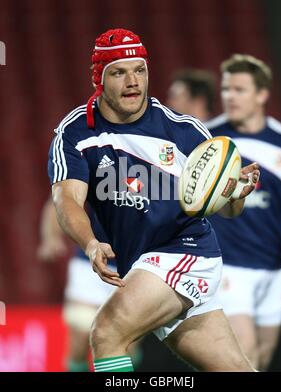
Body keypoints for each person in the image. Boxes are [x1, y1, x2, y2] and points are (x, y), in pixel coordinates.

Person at [48, 28, 260, 372]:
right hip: (142, 263)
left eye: (140, 70)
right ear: (98, 80)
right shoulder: (76, 133)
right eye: (119, 72)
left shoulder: (182, 130)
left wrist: (235, 192)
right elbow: (66, 200)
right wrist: (89, 243)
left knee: (106, 333)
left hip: (184, 250)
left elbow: (230, 208)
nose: (132, 81)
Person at [206, 54, 281, 370]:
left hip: (274, 269)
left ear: (262, 94)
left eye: (240, 89)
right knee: (242, 357)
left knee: (260, 360)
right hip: (228, 267)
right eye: (226, 89)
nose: (229, 96)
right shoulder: (208, 138)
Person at [37, 198, 118, 371]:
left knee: (125, 346)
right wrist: (50, 237)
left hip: (136, 267)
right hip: (89, 265)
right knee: (80, 340)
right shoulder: (98, 170)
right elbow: (61, 200)